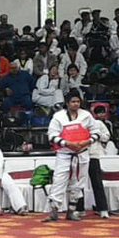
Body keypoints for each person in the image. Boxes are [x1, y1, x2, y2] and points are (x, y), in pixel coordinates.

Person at [46, 93, 99, 222]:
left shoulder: (86, 116)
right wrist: (68, 143)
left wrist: (86, 142)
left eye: (78, 101)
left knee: (78, 183)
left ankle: (71, 211)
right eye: (73, 101)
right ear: (67, 103)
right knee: (59, 181)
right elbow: (51, 136)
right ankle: (54, 211)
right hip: (64, 154)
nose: (76, 104)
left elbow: (96, 132)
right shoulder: (58, 117)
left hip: (82, 153)